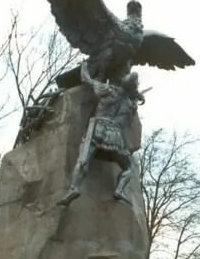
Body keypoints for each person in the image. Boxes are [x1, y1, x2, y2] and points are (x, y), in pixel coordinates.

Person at [58, 62, 144, 206]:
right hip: (115, 135)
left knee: (83, 160)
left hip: (98, 128)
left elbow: (86, 79)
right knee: (128, 168)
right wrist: (136, 96)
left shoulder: (108, 90)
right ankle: (119, 190)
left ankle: (74, 188)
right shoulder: (130, 104)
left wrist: (85, 66)